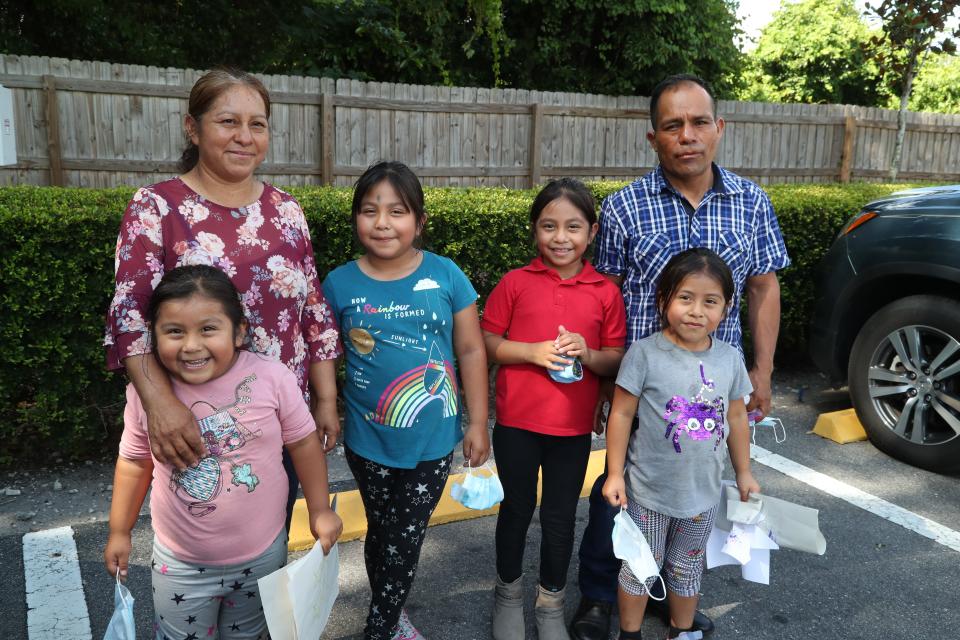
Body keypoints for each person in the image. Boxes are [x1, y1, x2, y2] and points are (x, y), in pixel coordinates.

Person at [571, 74, 790, 640]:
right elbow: (603, 295)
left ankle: (672, 596)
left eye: (698, 123)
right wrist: (602, 382)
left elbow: (764, 287)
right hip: (640, 382)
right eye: (673, 125)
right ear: (654, 137)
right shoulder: (624, 208)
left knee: (693, 492)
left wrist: (762, 371)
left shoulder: (752, 203)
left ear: (719, 129)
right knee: (619, 495)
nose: (686, 135)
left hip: (712, 390)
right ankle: (600, 595)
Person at [104, 68, 341, 535]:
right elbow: (130, 316)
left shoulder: (286, 210)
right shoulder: (157, 208)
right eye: (228, 121)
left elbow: (312, 312)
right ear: (193, 128)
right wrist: (159, 406)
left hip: (280, 420)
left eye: (258, 124)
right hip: (200, 426)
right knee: (202, 553)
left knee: (268, 547)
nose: (245, 137)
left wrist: (326, 400)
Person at [103, 265, 343, 640]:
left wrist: (320, 509)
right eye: (174, 331)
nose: (191, 345)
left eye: (208, 329)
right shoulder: (147, 395)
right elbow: (135, 462)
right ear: (153, 335)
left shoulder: (272, 377)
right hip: (180, 564)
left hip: (264, 556)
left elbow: (303, 443)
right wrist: (119, 530)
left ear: (240, 331)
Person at [322, 161, 490, 640]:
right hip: (366, 439)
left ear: (418, 221)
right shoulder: (339, 284)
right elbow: (322, 351)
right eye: (370, 210)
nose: (382, 222)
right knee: (381, 530)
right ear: (356, 219)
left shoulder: (446, 275)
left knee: (405, 535)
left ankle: (380, 625)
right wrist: (327, 403)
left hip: (432, 442)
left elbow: (471, 349)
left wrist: (478, 423)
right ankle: (392, 615)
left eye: (397, 211)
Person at [481, 179, 627, 640]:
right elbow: (487, 342)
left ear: (592, 231)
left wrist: (586, 352)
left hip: (572, 428)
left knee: (561, 517)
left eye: (573, 227)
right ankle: (507, 596)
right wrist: (532, 352)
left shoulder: (604, 291)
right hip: (517, 423)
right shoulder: (515, 282)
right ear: (534, 230)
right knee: (517, 510)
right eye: (549, 226)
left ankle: (550, 603)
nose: (560, 237)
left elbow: (616, 356)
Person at [601, 248, 759, 640]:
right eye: (685, 298)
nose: (696, 311)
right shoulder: (645, 353)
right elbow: (621, 414)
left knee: (687, 568)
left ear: (726, 308)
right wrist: (614, 473)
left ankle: (682, 631)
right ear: (663, 300)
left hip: (702, 495)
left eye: (710, 301)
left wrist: (744, 473)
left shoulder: (729, 358)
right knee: (640, 566)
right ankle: (630, 634)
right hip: (648, 492)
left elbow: (737, 418)